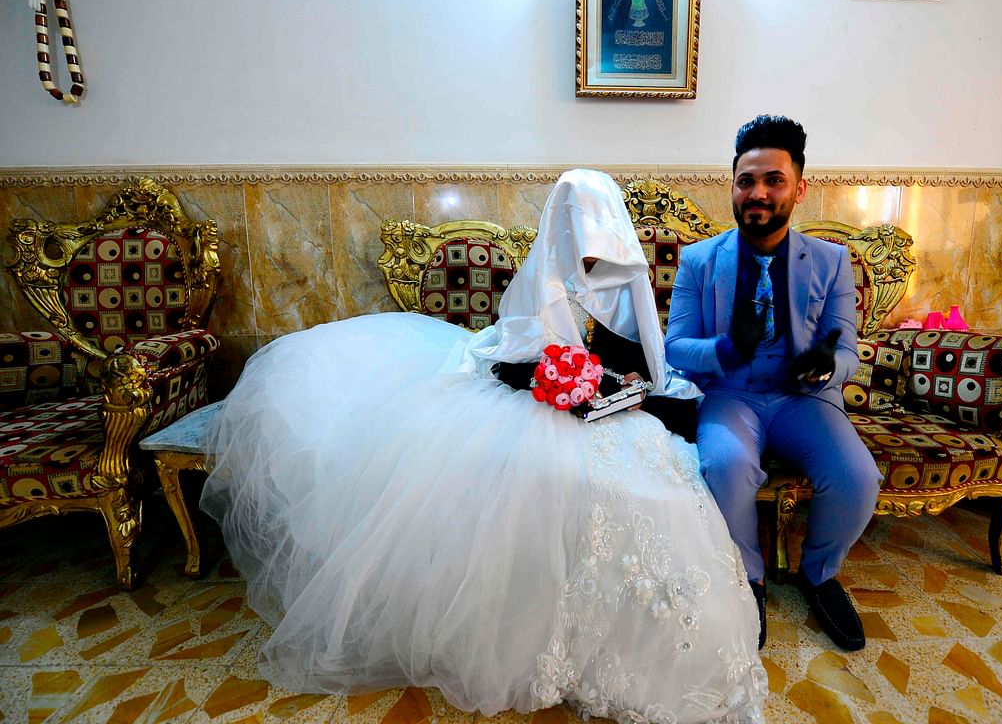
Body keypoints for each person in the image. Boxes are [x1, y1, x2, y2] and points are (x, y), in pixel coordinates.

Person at [199, 169, 768, 723]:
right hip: (534, 406)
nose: (591, 250)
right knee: (533, 480)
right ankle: (535, 637)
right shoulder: (542, 277)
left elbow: (644, 363)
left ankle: (654, 644)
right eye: (581, 235)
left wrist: (616, 389)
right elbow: (511, 362)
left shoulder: (624, 283)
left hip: (613, 415)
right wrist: (561, 384)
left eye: (599, 236)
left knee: (657, 497)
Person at [663, 115, 883, 652]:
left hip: (804, 401)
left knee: (857, 478)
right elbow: (675, 346)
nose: (758, 192)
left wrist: (826, 366)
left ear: (799, 188)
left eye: (773, 180)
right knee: (727, 465)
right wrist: (722, 351)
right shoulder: (698, 259)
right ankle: (750, 577)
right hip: (731, 395)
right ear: (733, 185)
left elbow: (847, 348)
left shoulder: (831, 262)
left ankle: (819, 573)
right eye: (746, 180)